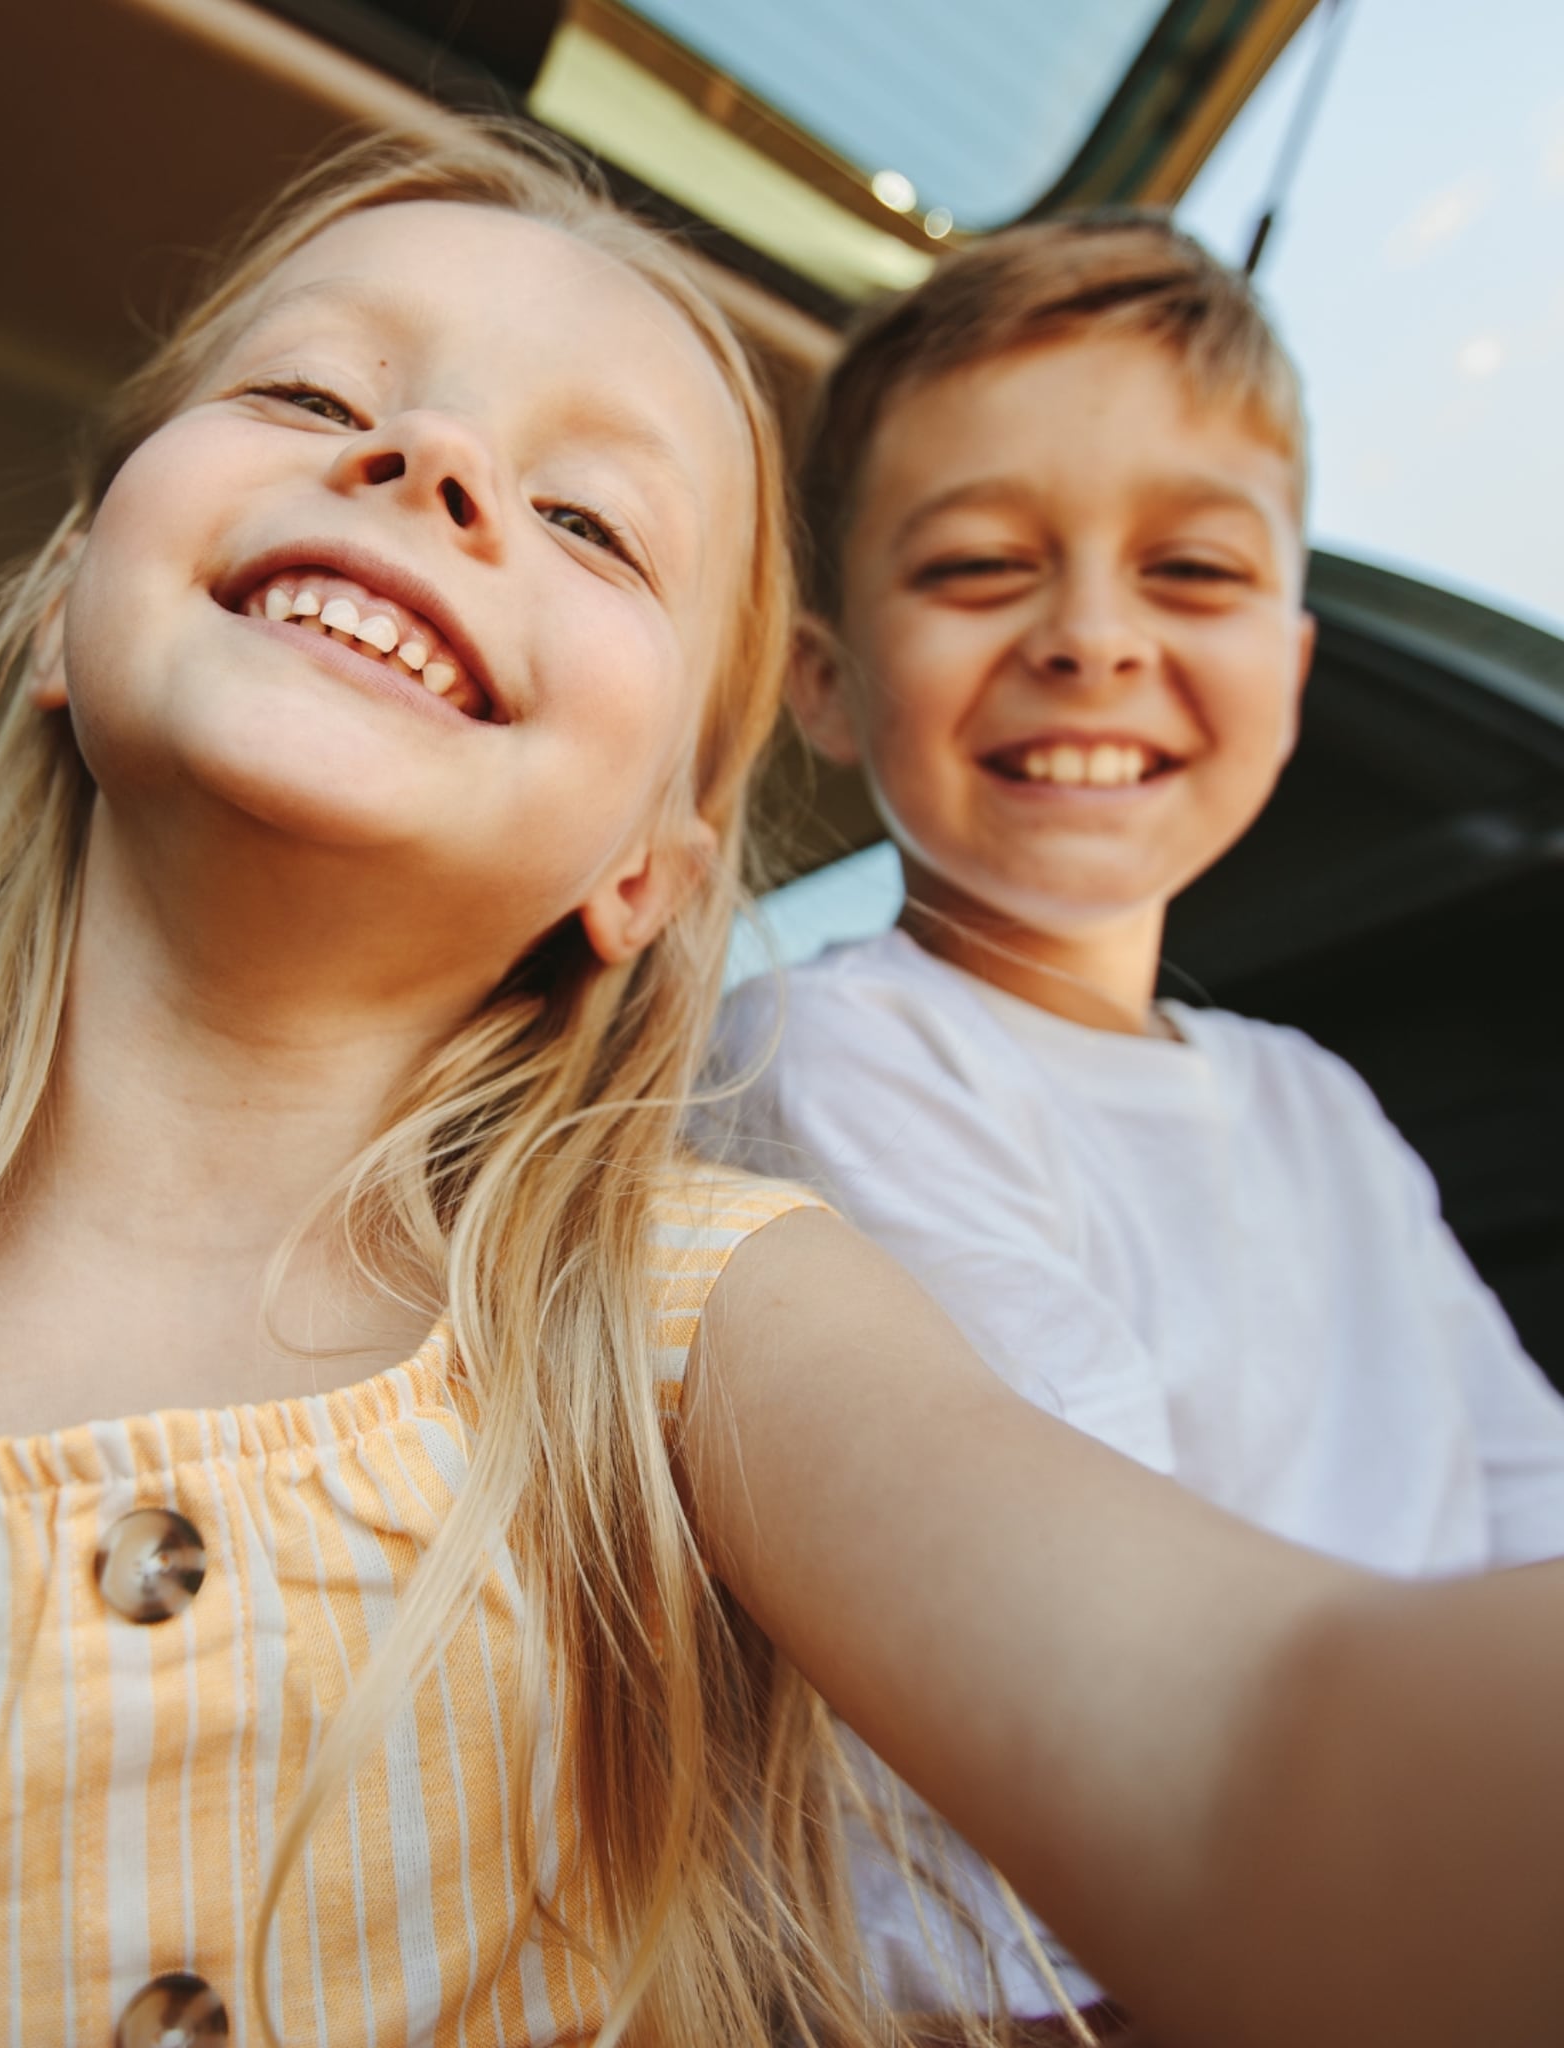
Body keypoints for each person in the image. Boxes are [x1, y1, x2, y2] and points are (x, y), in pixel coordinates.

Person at [0, 133, 1564, 2048]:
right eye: (316, 400)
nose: (426, 460)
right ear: (68, 599)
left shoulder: (696, 1326)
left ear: (648, 868)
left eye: (591, 520)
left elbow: (1246, 1740)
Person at [709, 214, 1564, 2021]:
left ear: (1294, 666)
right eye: (978, 568)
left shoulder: (1313, 1102)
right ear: (827, 682)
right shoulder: (834, 1054)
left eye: (1188, 570)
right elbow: (1091, 1649)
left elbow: (1529, 1496)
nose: (1092, 637)